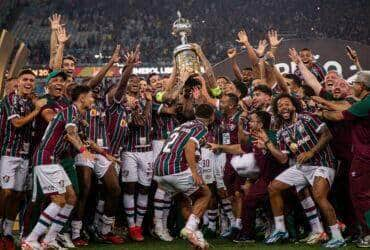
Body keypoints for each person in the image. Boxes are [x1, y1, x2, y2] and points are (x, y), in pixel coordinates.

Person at [264, 93, 345, 248]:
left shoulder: (307, 118)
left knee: (319, 196)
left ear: (294, 106)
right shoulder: (282, 131)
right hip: (303, 167)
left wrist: (311, 152)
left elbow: (327, 135)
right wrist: (267, 142)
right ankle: (280, 229)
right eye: (280, 106)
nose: (283, 107)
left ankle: (337, 236)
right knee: (273, 187)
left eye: (286, 104)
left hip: (322, 162)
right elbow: (283, 159)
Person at [22, 85, 94, 250]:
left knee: (71, 198)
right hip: (46, 157)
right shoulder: (70, 111)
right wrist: (83, 150)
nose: (92, 100)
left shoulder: (74, 113)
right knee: (59, 199)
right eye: (90, 96)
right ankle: (31, 240)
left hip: (55, 160)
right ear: (82, 98)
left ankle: (49, 240)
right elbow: (70, 133)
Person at [317, 71, 370, 248]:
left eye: (355, 83)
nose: (353, 86)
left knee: (361, 196)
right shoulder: (363, 102)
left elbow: (340, 114)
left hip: (363, 157)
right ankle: (359, 232)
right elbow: (345, 109)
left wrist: (323, 110)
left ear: (362, 86)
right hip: (359, 156)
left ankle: (368, 234)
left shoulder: (366, 103)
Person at [154, 104, 215, 249]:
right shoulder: (202, 128)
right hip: (176, 169)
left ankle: (197, 238)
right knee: (205, 194)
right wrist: (194, 172)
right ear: (211, 116)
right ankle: (189, 230)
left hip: (159, 170)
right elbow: (189, 146)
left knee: (183, 201)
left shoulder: (182, 125)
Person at [0, 69, 47, 250]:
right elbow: (17, 123)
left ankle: (7, 233)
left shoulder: (32, 101)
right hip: (9, 154)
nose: (28, 83)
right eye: (25, 79)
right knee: (6, 192)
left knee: (18, 195)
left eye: (32, 80)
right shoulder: (10, 99)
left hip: (25, 156)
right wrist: (37, 110)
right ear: (18, 82)